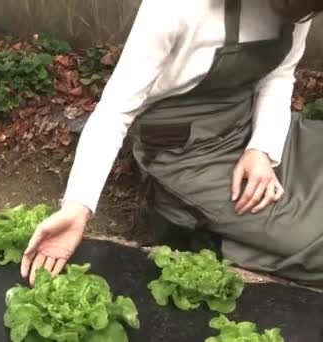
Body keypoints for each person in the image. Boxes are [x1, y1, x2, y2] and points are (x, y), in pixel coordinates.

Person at [21, 0, 323, 287]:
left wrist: (263, 148)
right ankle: (195, 229)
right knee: (314, 242)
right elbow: (116, 111)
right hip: (186, 150)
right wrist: (77, 207)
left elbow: (279, 77)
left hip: (245, 125)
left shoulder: (300, 9)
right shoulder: (177, 7)